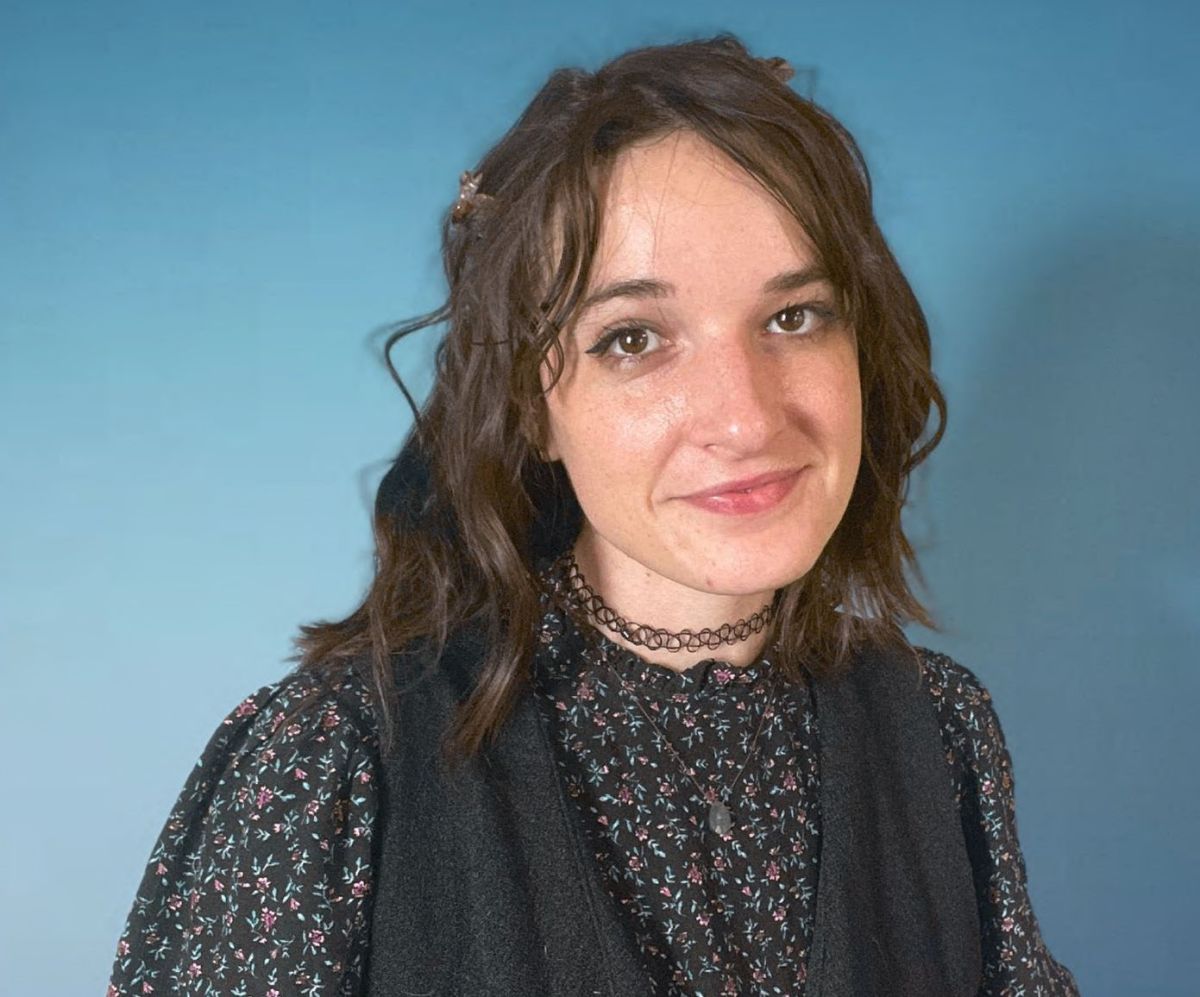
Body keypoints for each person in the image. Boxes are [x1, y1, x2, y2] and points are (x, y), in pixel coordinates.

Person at [106, 34, 1079, 997]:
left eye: (794, 316)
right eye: (635, 338)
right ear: (532, 405)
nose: (746, 415)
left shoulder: (940, 730)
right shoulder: (338, 753)